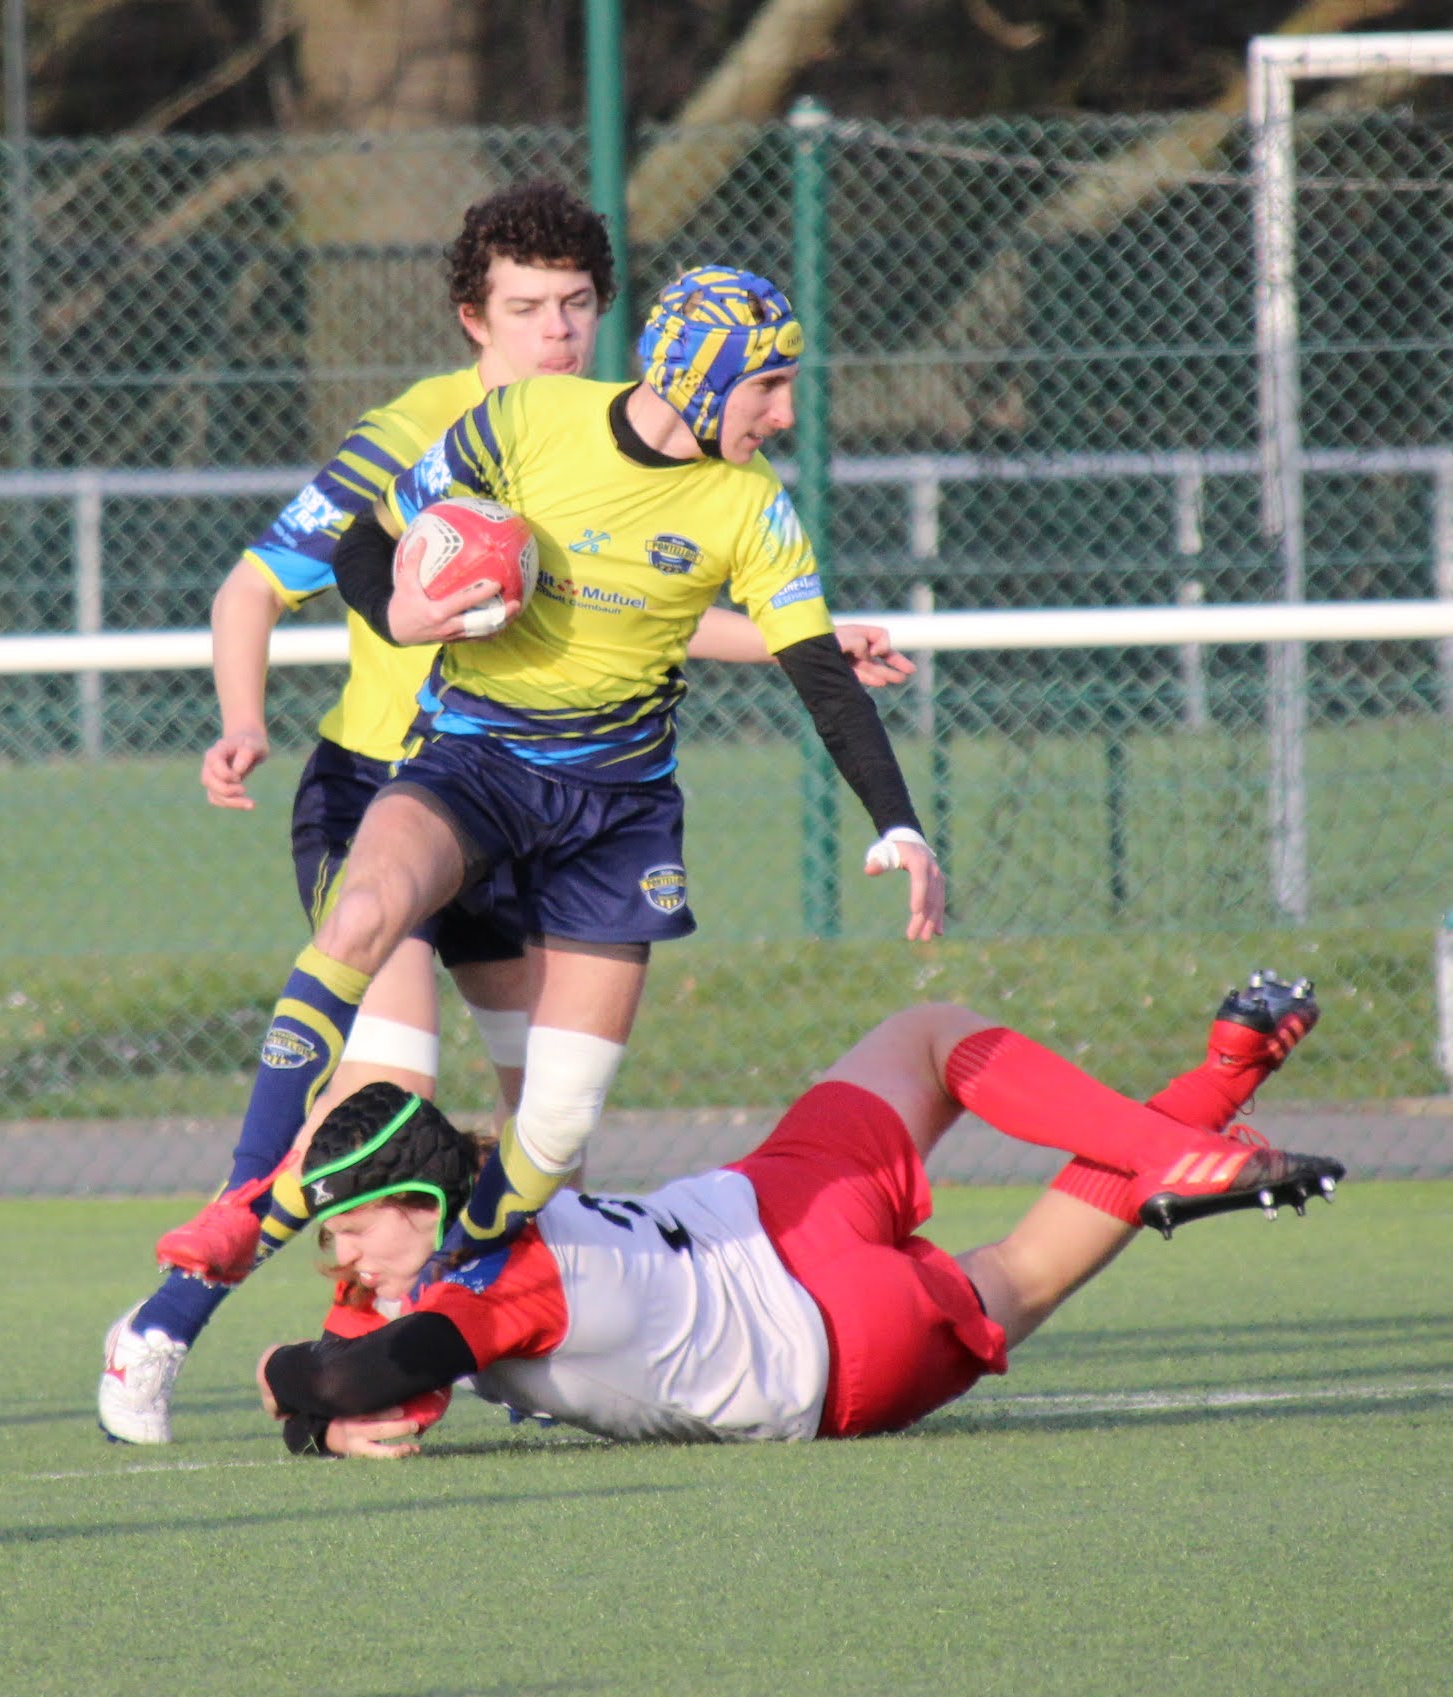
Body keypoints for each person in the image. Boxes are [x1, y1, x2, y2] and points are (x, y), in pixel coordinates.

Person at [98, 250, 921, 1443]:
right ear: (474, 317)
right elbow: (295, 568)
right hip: (425, 773)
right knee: (385, 1082)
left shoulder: (738, 497)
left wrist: (880, 779)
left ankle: (426, 1330)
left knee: (553, 1128)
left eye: (580, 303)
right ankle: (191, 1291)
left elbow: (652, 601)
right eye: (531, 306)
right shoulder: (458, 427)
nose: (562, 329)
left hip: (598, 816)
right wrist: (359, 637)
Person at [256, 971, 1341, 1456]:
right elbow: (357, 1367)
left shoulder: (480, 1289)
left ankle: (1196, 1117)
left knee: (1021, 1269)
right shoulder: (469, 1220)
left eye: (350, 1225)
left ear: (420, 1202)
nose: (341, 1252)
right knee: (929, 1033)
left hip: (826, 1345)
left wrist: (294, 1389)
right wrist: (324, 1410)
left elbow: (352, 1374)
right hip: (763, 1202)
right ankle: (1217, 1082)